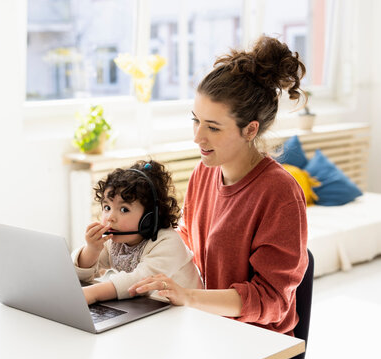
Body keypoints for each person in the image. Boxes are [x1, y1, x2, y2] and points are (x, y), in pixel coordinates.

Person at [128, 35, 309, 336]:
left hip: (257, 341)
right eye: (196, 121)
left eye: (213, 127)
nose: (198, 137)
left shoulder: (280, 193)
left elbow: (273, 299)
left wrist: (188, 297)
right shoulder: (205, 171)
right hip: (206, 327)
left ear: (250, 129)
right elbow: (187, 242)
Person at [72, 160, 203, 305]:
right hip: (148, 309)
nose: (110, 217)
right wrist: (91, 250)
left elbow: (139, 283)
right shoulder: (116, 240)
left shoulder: (168, 243)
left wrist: (93, 294)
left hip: (187, 315)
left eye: (124, 209)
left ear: (149, 218)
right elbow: (81, 274)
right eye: (107, 207)